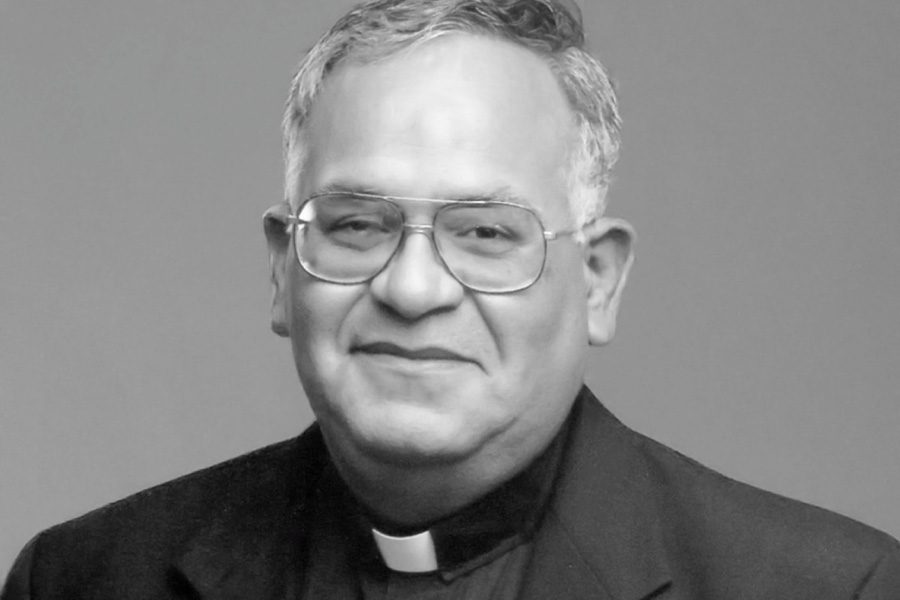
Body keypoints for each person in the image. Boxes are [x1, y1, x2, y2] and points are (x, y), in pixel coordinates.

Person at [3, 0, 899, 598]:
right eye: (357, 225)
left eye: (485, 233)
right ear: (284, 266)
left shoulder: (830, 588)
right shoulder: (83, 578)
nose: (413, 287)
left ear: (597, 281)